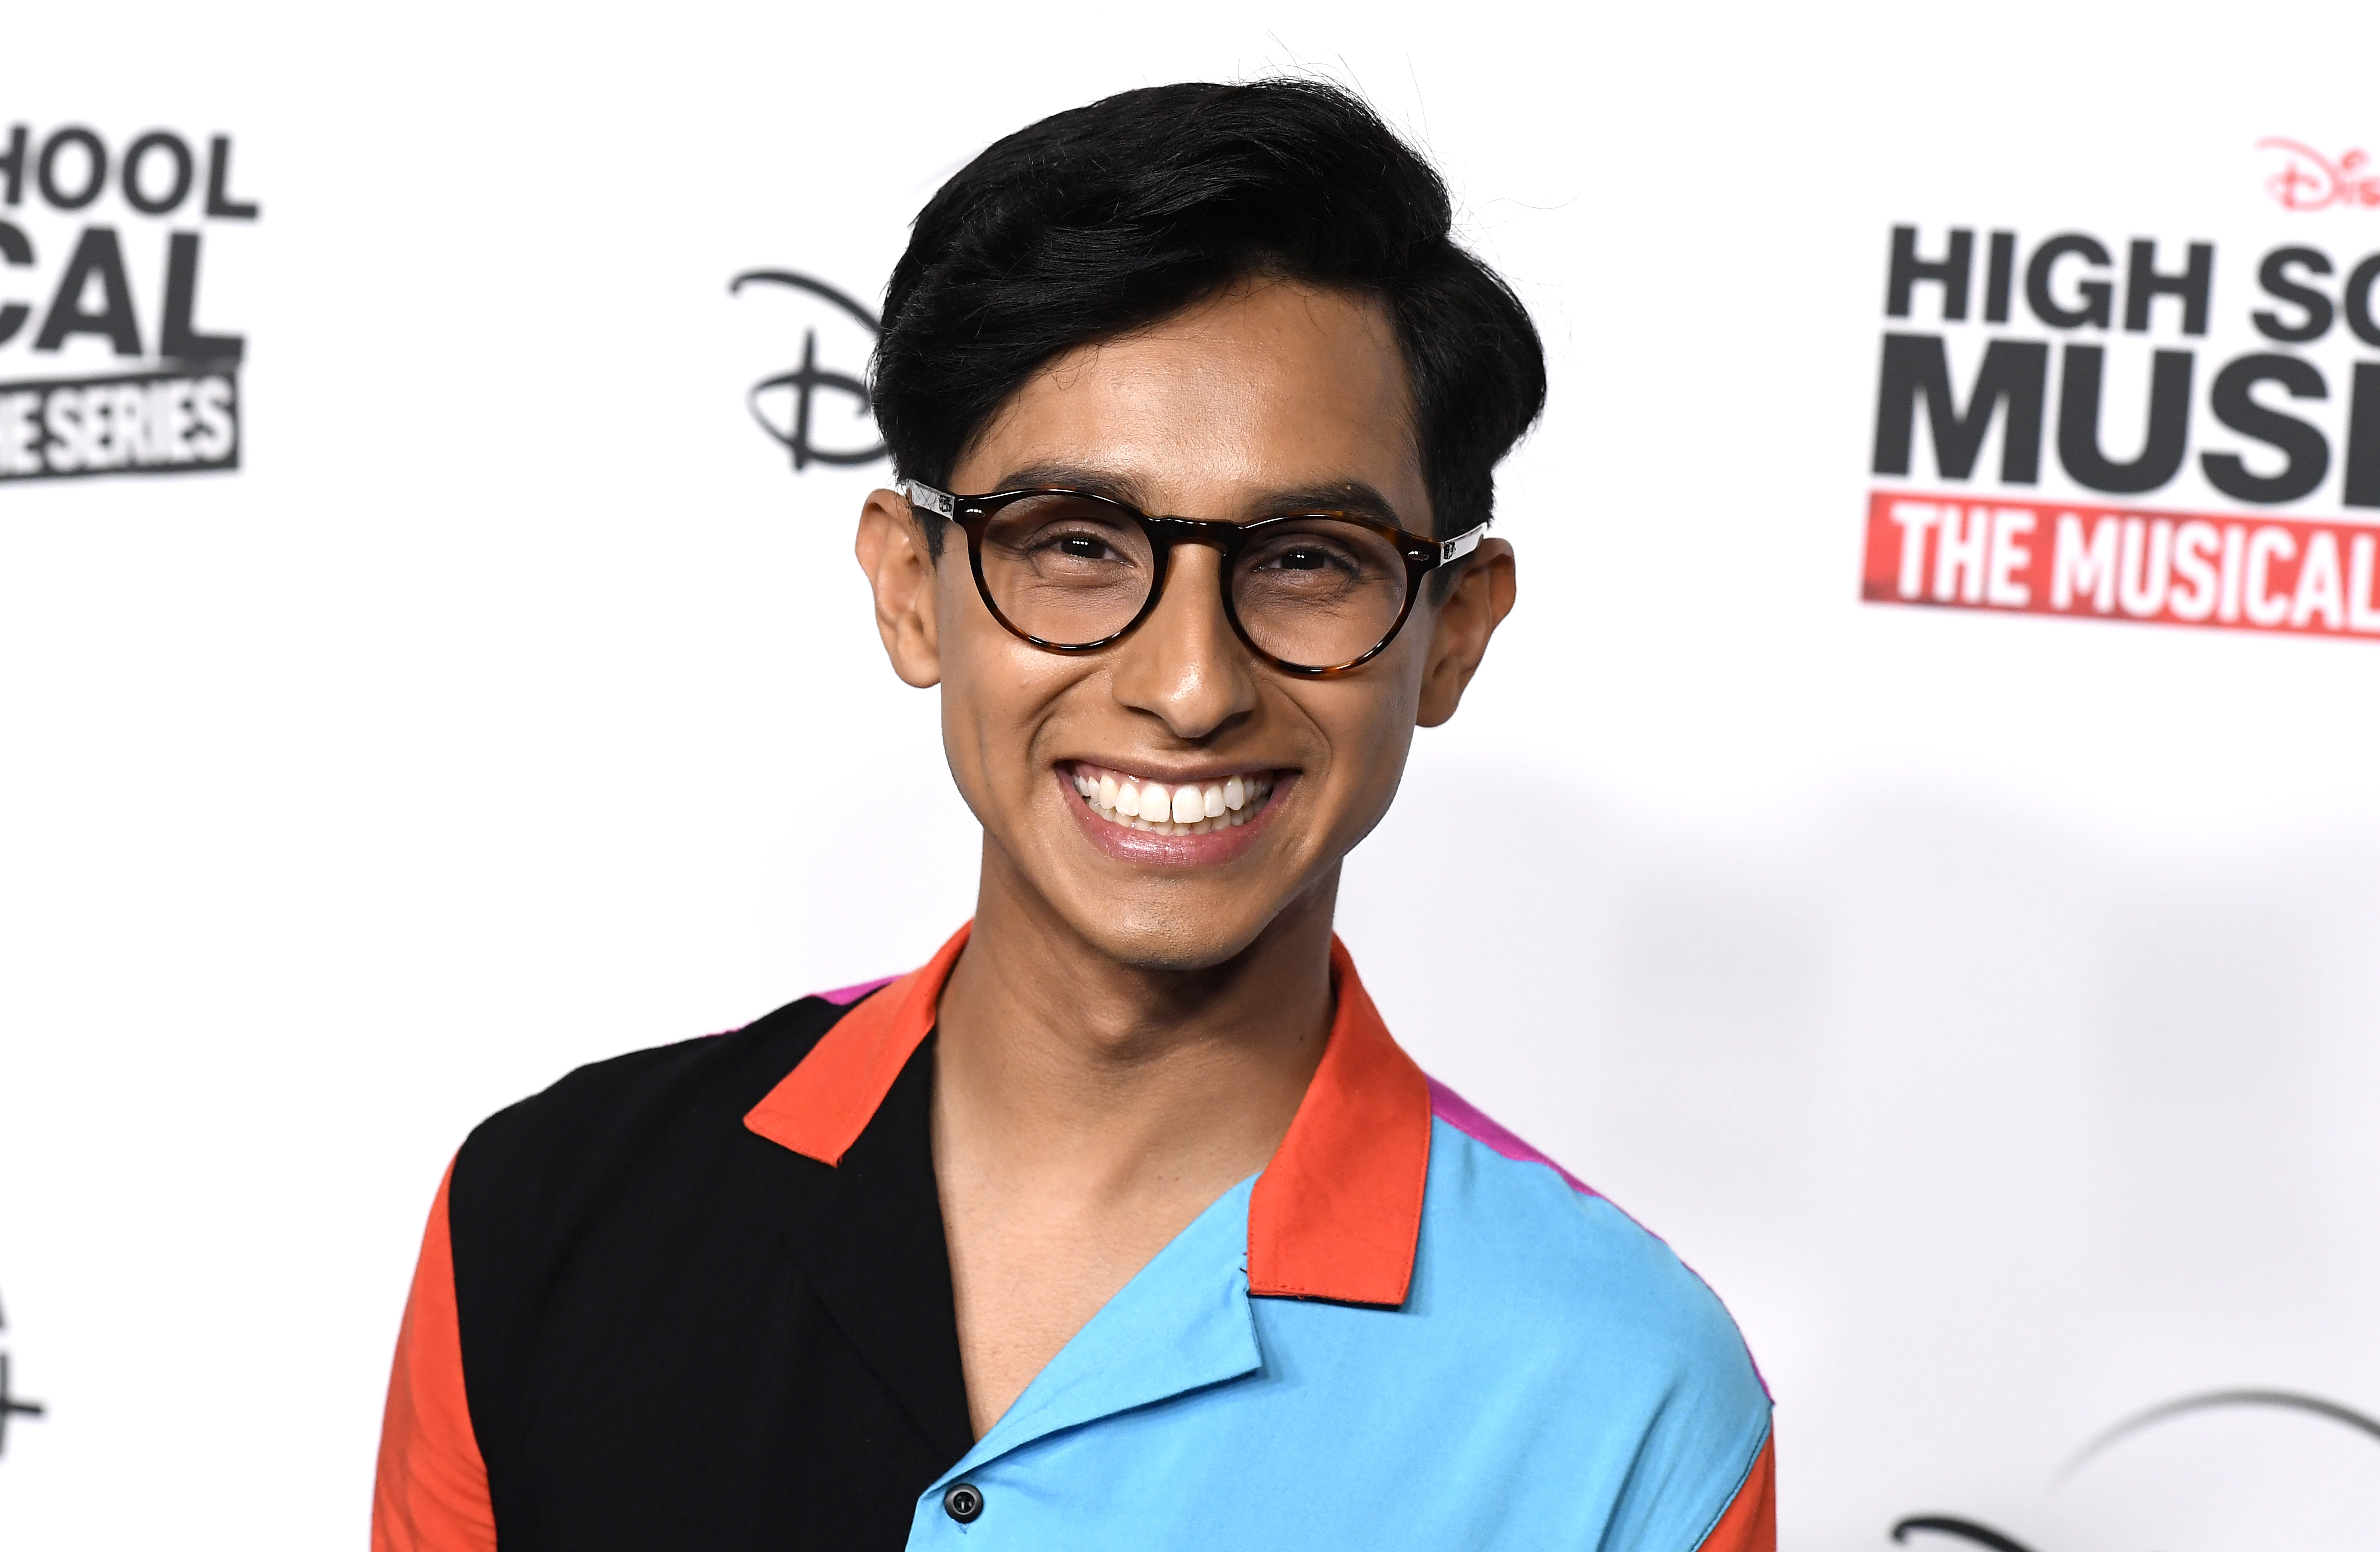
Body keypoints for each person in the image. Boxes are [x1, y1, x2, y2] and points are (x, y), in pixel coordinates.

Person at [371, 77, 1774, 1552]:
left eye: (1308, 558)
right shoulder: (548, 1213)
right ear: (910, 587)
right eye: (1078, 544)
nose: (1189, 683)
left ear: (1455, 632)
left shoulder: (1628, 1397)